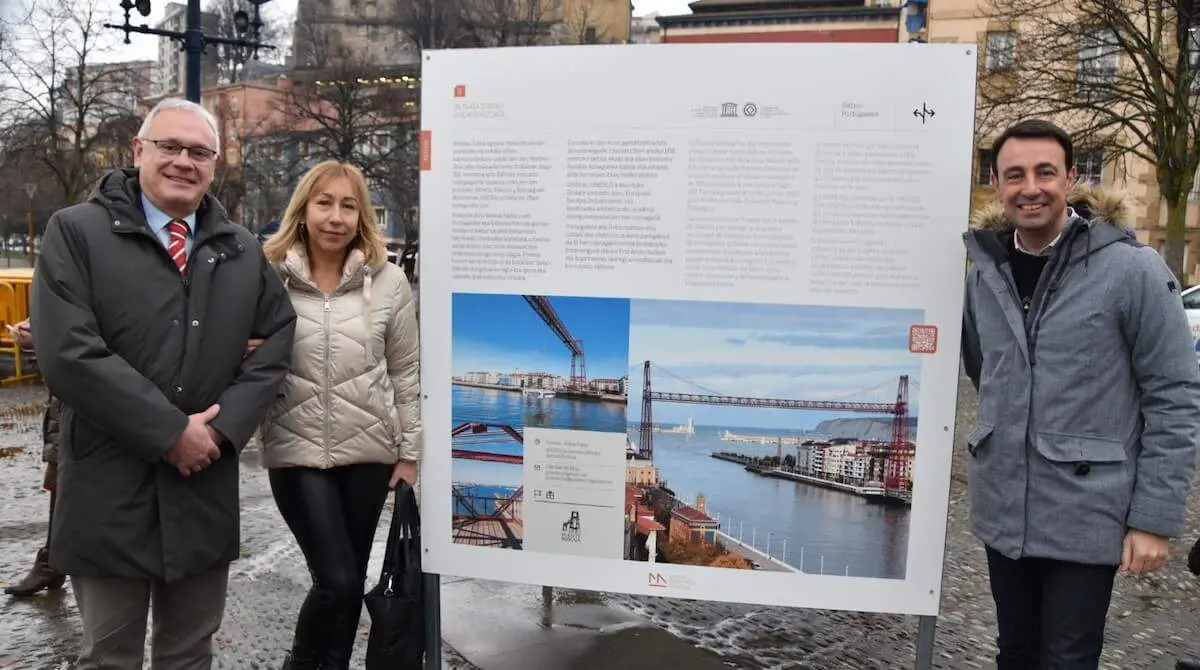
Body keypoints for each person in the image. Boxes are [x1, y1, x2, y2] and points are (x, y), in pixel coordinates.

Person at [29, 97, 297, 669]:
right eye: (170, 146)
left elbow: (276, 343)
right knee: (109, 657)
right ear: (138, 151)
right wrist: (170, 430)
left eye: (199, 151)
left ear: (215, 163)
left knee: (188, 654)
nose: (183, 161)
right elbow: (70, 355)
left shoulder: (241, 249)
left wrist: (219, 433)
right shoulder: (75, 233)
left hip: (202, 487)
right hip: (109, 487)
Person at [961, 118, 1200, 669]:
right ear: (997, 184)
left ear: (1071, 178)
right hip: (1005, 509)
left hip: (1087, 512)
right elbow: (986, 372)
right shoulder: (984, 274)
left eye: (1046, 172)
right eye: (1014, 174)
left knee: (1067, 658)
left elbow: (1175, 395)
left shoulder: (1131, 269)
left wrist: (1154, 519)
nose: (1031, 187)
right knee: (1014, 652)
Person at [259, 160, 422, 670]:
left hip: (370, 453)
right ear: (303, 210)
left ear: (362, 216)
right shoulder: (267, 273)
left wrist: (410, 454)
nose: (336, 216)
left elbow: (405, 371)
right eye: (324, 203)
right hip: (296, 450)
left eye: (348, 205)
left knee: (349, 580)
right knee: (336, 581)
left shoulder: (390, 282)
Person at [3, 319, 66, 598]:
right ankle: (52, 560)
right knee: (60, 475)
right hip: (65, 403)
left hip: (85, 401)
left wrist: (38, 336)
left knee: (71, 479)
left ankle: (55, 561)